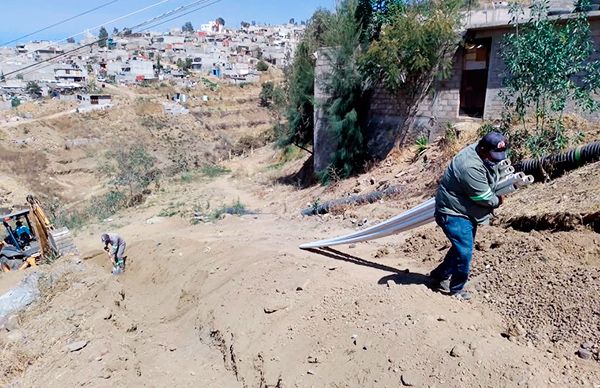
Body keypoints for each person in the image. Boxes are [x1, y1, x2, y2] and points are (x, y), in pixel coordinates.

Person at [430, 132, 508, 301]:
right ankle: (457, 289)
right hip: (453, 212)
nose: (496, 160)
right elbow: (483, 197)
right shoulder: (469, 166)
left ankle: (438, 276)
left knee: (461, 247)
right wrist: (498, 200)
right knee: (464, 251)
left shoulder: (483, 154)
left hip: (464, 210)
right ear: (482, 148)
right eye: (493, 156)